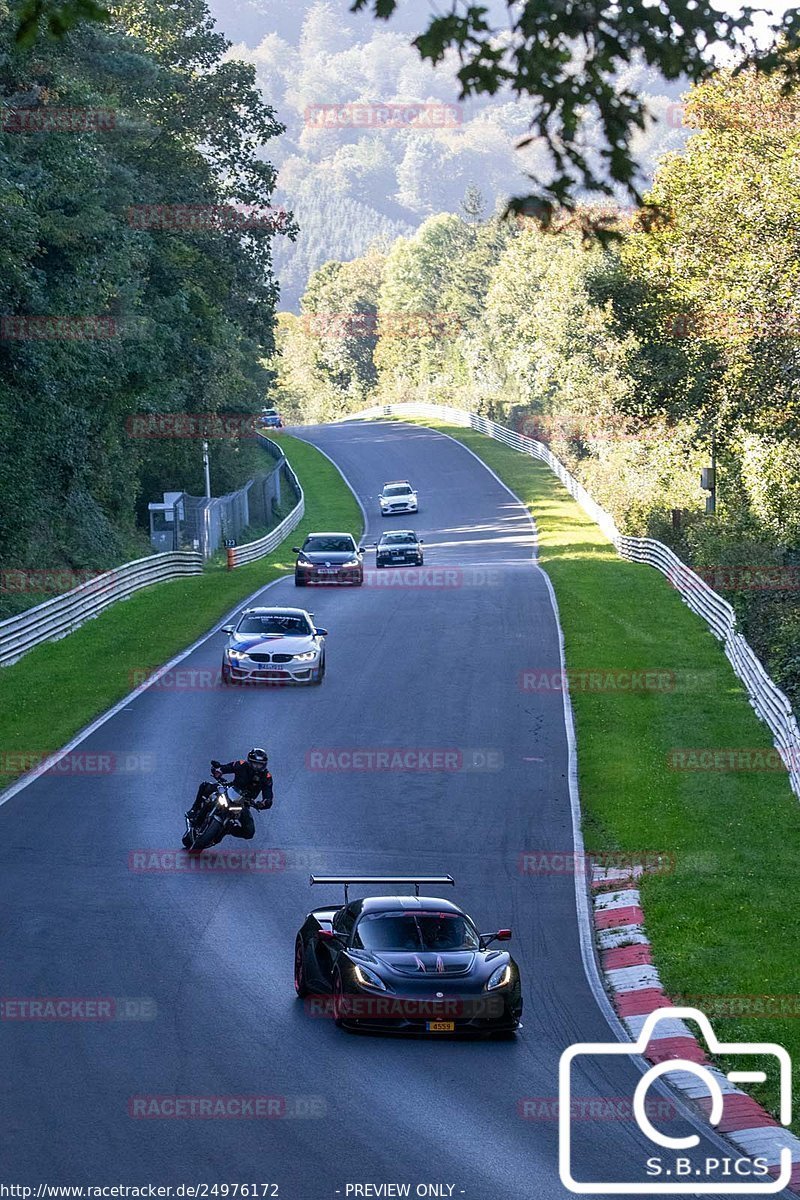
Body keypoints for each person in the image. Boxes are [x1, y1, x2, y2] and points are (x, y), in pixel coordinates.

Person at [184, 748, 273, 847]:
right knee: (206, 786)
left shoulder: (267, 777)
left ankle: (228, 829)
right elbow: (228, 767)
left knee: (249, 832)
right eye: (255, 763)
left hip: (244, 803)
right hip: (231, 791)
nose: (257, 767)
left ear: (264, 764)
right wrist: (219, 770)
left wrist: (265, 802)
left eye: (260, 764)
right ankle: (194, 810)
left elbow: (268, 793)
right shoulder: (241, 764)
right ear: (250, 761)